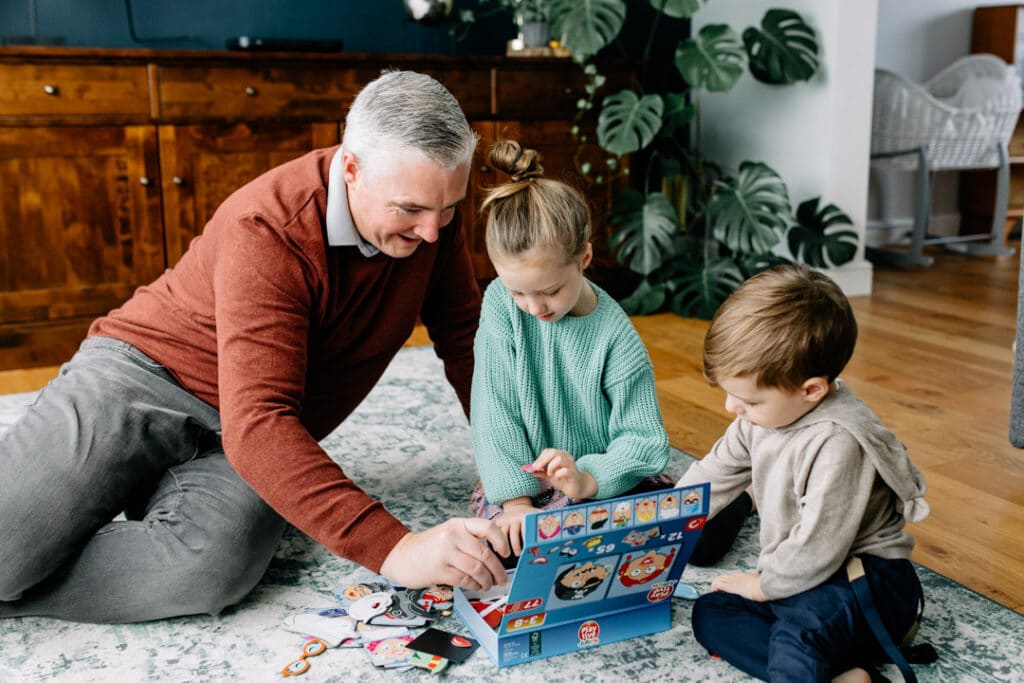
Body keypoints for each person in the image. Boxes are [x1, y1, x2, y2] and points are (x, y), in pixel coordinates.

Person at [0, 70, 511, 624]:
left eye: (448, 208)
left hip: (243, 431)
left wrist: (514, 471)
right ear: (351, 169)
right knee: (6, 552)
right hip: (140, 378)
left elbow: (468, 344)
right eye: (409, 209)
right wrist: (396, 549)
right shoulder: (268, 225)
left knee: (210, 571)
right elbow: (259, 420)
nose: (432, 232)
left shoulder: (431, 221)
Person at [676, 265, 931, 682]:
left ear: (811, 389)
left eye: (749, 400)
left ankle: (827, 663)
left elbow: (819, 546)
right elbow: (712, 474)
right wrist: (660, 520)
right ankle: (843, 675)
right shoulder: (759, 420)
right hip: (801, 578)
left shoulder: (838, 442)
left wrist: (763, 586)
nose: (731, 409)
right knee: (712, 610)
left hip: (866, 584)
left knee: (798, 636)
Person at [468, 139, 671, 556]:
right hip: (528, 486)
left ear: (584, 258)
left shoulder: (615, 336)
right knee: (502, 546)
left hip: (602, 482)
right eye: (518, 292)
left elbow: (643, 439)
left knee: (677, 529)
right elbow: (494, 412)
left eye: (550, 291)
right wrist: (517, 504)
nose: (534, 307)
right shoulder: (500, 306)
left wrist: (587, 479)